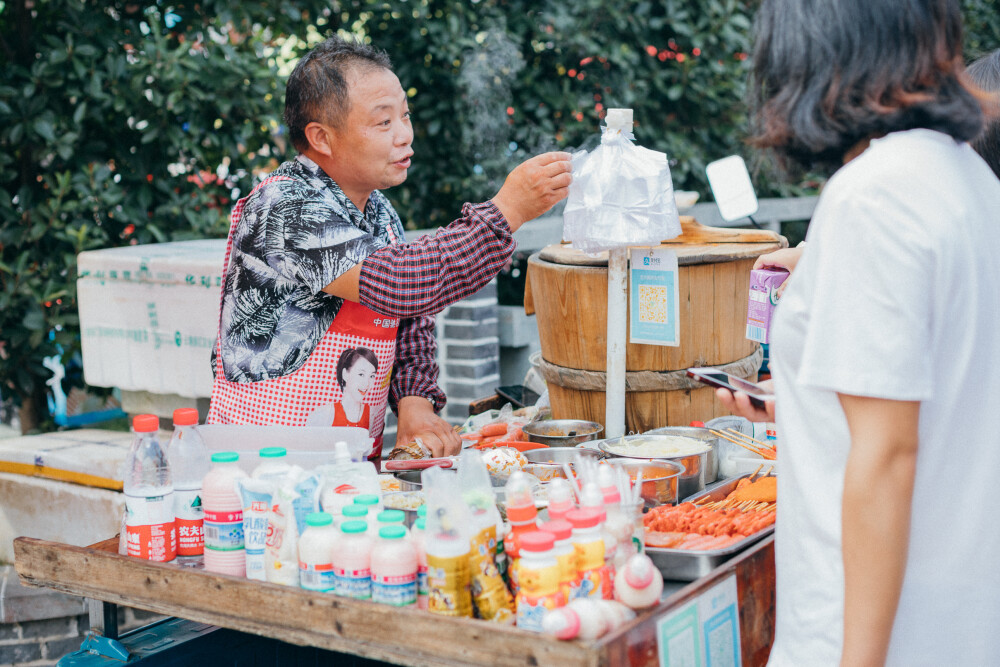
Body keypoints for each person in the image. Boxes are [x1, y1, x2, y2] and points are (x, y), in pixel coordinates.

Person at [719, 1, 1000, 665]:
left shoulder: (873, 194)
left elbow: (887, 456)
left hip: (876, 634)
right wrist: (812, 403)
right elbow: (944, 398)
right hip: (959, 621)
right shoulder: (970, 180)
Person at [207, 36, 572, 461]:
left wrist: (414, 405)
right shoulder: (284, 207)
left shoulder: (379, 213)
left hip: (348, 465)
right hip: (263, 467)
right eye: (383, 123)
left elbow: (411, 319)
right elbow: (400, 282)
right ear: (321, 137)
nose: (404, 135)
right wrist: (507, 209)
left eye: (405, 115)